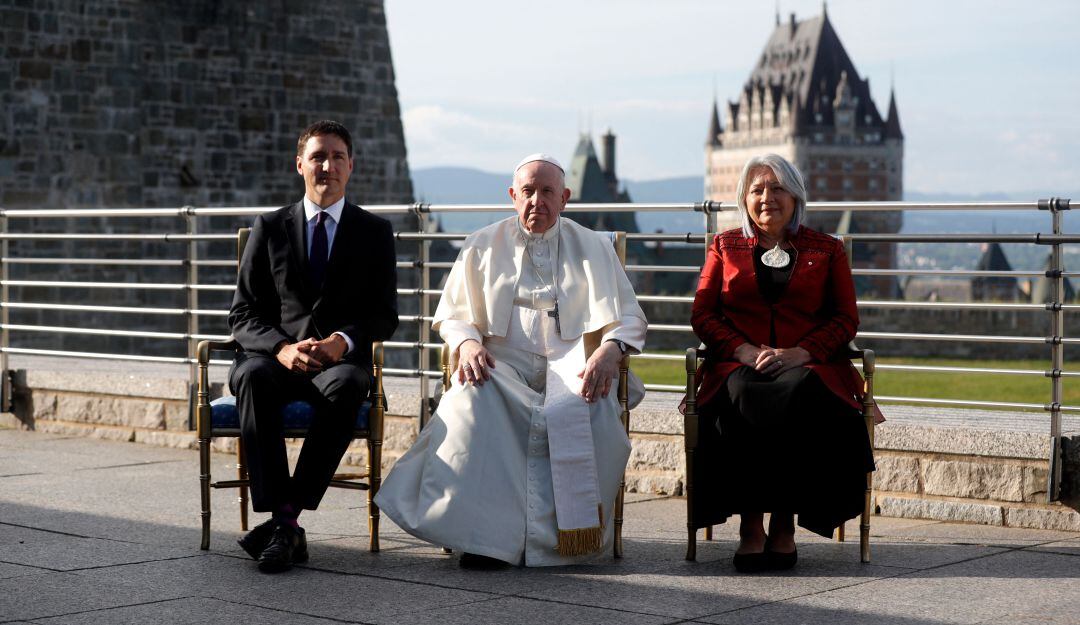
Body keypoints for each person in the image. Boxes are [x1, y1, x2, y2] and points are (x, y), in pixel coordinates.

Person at [375, 154, 647, 567]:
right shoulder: (482, 244)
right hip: (501, 365)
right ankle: (485, 541)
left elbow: (629, 316)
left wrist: (610, 351)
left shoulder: (593, 247)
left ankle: (564, 541)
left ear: (565, 198)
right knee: (471, 401)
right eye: (528, 192)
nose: (537, 200)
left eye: (548, 192)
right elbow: (453, 314)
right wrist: (466, 344)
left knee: (590, 406)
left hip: (574, 366)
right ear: (512, 196)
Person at [689, 153, 879, 573]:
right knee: (743, 391)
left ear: (795, 196)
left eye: (777, 188)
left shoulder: (827, 249)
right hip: (738, 363)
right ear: (744, 198)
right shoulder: (724, 245)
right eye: (757, 189)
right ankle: (752, 526)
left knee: (797, 391)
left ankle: (783, 524)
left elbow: (846, 318)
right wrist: (741, 350)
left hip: (809, 365)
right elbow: (703, 313)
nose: (767, 198)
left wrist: (801, 352)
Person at [227, 120, 398, 573]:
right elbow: (242, 314)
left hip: (338, 364)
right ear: (300, 164)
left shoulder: (374, 232)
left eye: (338, 157)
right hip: (276, 361)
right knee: (250, 375)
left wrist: (344, 341)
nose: (328, 166)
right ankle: (285, 522)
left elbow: (385, 315)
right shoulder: (269, 228)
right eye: (318, 157)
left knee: (347, 386)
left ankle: (284, 523)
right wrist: (282, 348)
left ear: (351, 166)